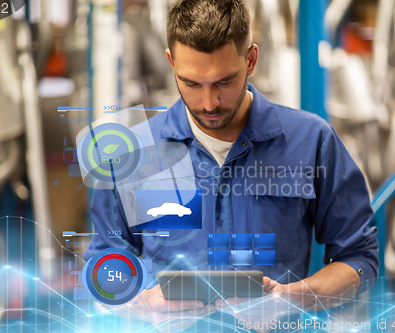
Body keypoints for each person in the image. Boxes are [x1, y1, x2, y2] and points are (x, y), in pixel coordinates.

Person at [84, 0, 379, 331]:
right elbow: (103, 265)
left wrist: (290, 297)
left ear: (250, 60)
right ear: (171, 63)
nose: (209, 103)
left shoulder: (311, 142)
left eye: (224, 82)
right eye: (192, 83)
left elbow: (358, 259)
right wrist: (140, 301)